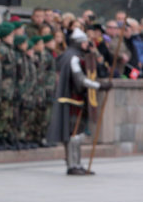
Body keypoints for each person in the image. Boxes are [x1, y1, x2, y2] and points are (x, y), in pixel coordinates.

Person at [47, 28, 111, 175]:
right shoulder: (73, 58)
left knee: (76, 134)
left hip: (74, 98)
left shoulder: (71, 55)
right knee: (74, 135)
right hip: (72, 99)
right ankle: (72, 165)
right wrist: (100, 86)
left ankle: (77, 163)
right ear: (78, 43)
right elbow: (80, 80)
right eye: (84, 42)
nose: (86, 44)